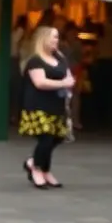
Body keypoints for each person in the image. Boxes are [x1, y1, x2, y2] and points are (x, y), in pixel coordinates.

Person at [19, 26, 75, 189]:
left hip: (56, 105)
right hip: (38, 105)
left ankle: (39, 165)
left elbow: (68, 74)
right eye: (53, 37)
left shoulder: (60, 57)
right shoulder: (35, 60)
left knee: (56, 137)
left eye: (57, 37)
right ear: (44, 39)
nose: (56, 40)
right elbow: (40, 82)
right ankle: (37, 169)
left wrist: (69, 82)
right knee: (46, 138)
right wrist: (63, 83)